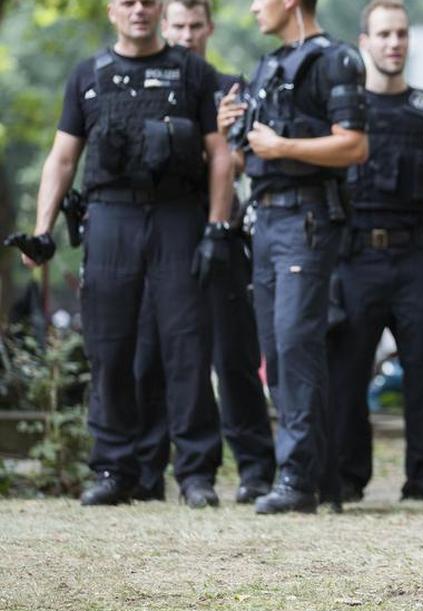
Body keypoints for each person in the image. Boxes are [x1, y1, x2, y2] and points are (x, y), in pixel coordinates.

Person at [11, 0, 232, 507]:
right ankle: (114, 468)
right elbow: (63, 156)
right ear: (112, 10)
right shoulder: (88, 74)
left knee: (186, 346)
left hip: (178, 215)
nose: (139, 10)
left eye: (149, 2)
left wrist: (218, 228)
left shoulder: (193, 71)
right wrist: (42, 231)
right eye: (128, 2)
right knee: (109, 349)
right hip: (109, 217)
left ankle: (196, 473)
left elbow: (218, 155)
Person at [322, 0, 423, 506]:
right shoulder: (342, 109)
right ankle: (345, 475)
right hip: (355, 257)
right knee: (347, 374)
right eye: (384, 34)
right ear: (364, 41)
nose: (394, 43)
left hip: (415, 259)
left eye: (401, 34)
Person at [130, 0, 277, 506]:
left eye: (196, 25)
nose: (188, 35)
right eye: (179, 26)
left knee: (234, 355)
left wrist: (204, 136)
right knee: (150, 354)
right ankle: (148, 470)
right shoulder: (141, 84)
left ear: (210, 27)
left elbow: (236, 161)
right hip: (155, 236)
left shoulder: (230, 86)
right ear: (163, 27)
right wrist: (205, 130)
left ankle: (256, 468)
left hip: (219, 233)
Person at [226, 0, 367, 514]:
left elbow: (353, 146)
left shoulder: (337, 60)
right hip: (265, 220)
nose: (253, 7)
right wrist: (231, 132)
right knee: (277, 350)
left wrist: (283, 146)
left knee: (296, 344)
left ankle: (298, 476)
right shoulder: (267, 66)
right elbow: (248, 155)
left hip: (307, 222)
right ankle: (313, 474)